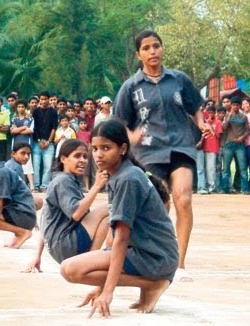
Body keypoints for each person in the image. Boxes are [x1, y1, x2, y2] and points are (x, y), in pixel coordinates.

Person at [113, 30, 208, 282]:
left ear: (162, 49)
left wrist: (201, 122)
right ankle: (150, 253)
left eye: (156, 46)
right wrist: (131, 137)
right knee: (158, 205)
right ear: (138, 54)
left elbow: (195, 106)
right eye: (146, 48)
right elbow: (119, 123)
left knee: (183, 199)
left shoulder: (179, 79)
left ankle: (180, 264)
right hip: (147, 153)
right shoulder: (131, 87)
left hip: (180, 147)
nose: (152, 51)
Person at [60, 119, 178, 318]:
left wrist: (107, 291)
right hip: (150, 253)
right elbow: (113, 235)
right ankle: (150, 284)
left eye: (106, 148)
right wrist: (99, 286)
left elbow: (121, 239)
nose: (98, 154)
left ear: (123, 148)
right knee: (76, 268)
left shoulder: (128, 179)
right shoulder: (119, 175)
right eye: (95, 148)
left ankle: (154, 284)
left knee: (70, 269)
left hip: (156, 257)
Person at [25, 139, 109, 273]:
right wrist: (97, 186)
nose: (83, 160)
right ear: (63, 159)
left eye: (85, 157)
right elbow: (76, 213)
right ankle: (90, 261)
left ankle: (90, 258)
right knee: (109, 208)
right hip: (66, 246)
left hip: (58, 248)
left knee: (105, 218)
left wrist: (37, 256)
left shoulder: (64, 180)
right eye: (77, 156)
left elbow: (46, 220)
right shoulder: (63, 181)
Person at [220, 96, 249, 194]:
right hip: (228, 145)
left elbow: (247, 130)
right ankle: (225, 189)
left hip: (240, 145)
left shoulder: (243, 116)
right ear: (231, 106)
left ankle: (245, 189)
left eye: (237, 105)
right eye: (233, 105)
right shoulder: (227, 116)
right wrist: (230, 115)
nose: (235, 107)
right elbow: (224, 127)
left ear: (240, 106)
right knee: (226, 168)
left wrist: (242, 138)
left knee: (242, 168)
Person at [32, 91, 58, 192]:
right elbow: (34, 127)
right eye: (41, 99)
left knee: (47, 166)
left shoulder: (53, 111)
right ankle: (36, 185)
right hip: (36, 143)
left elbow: (54, 127)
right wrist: (39, 141)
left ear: (48, 99)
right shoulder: (36, 112)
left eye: (45, 99)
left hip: (49, 143)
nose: (43, 101)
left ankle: (44, 186)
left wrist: (48, 141)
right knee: (36, 165)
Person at [5, 142, 43, 211]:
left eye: (28, 154)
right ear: (13, 154)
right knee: (38, 201)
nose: (26, 157)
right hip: (4, 201)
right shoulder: (16, 168)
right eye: (23, 153)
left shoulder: (9, 164)